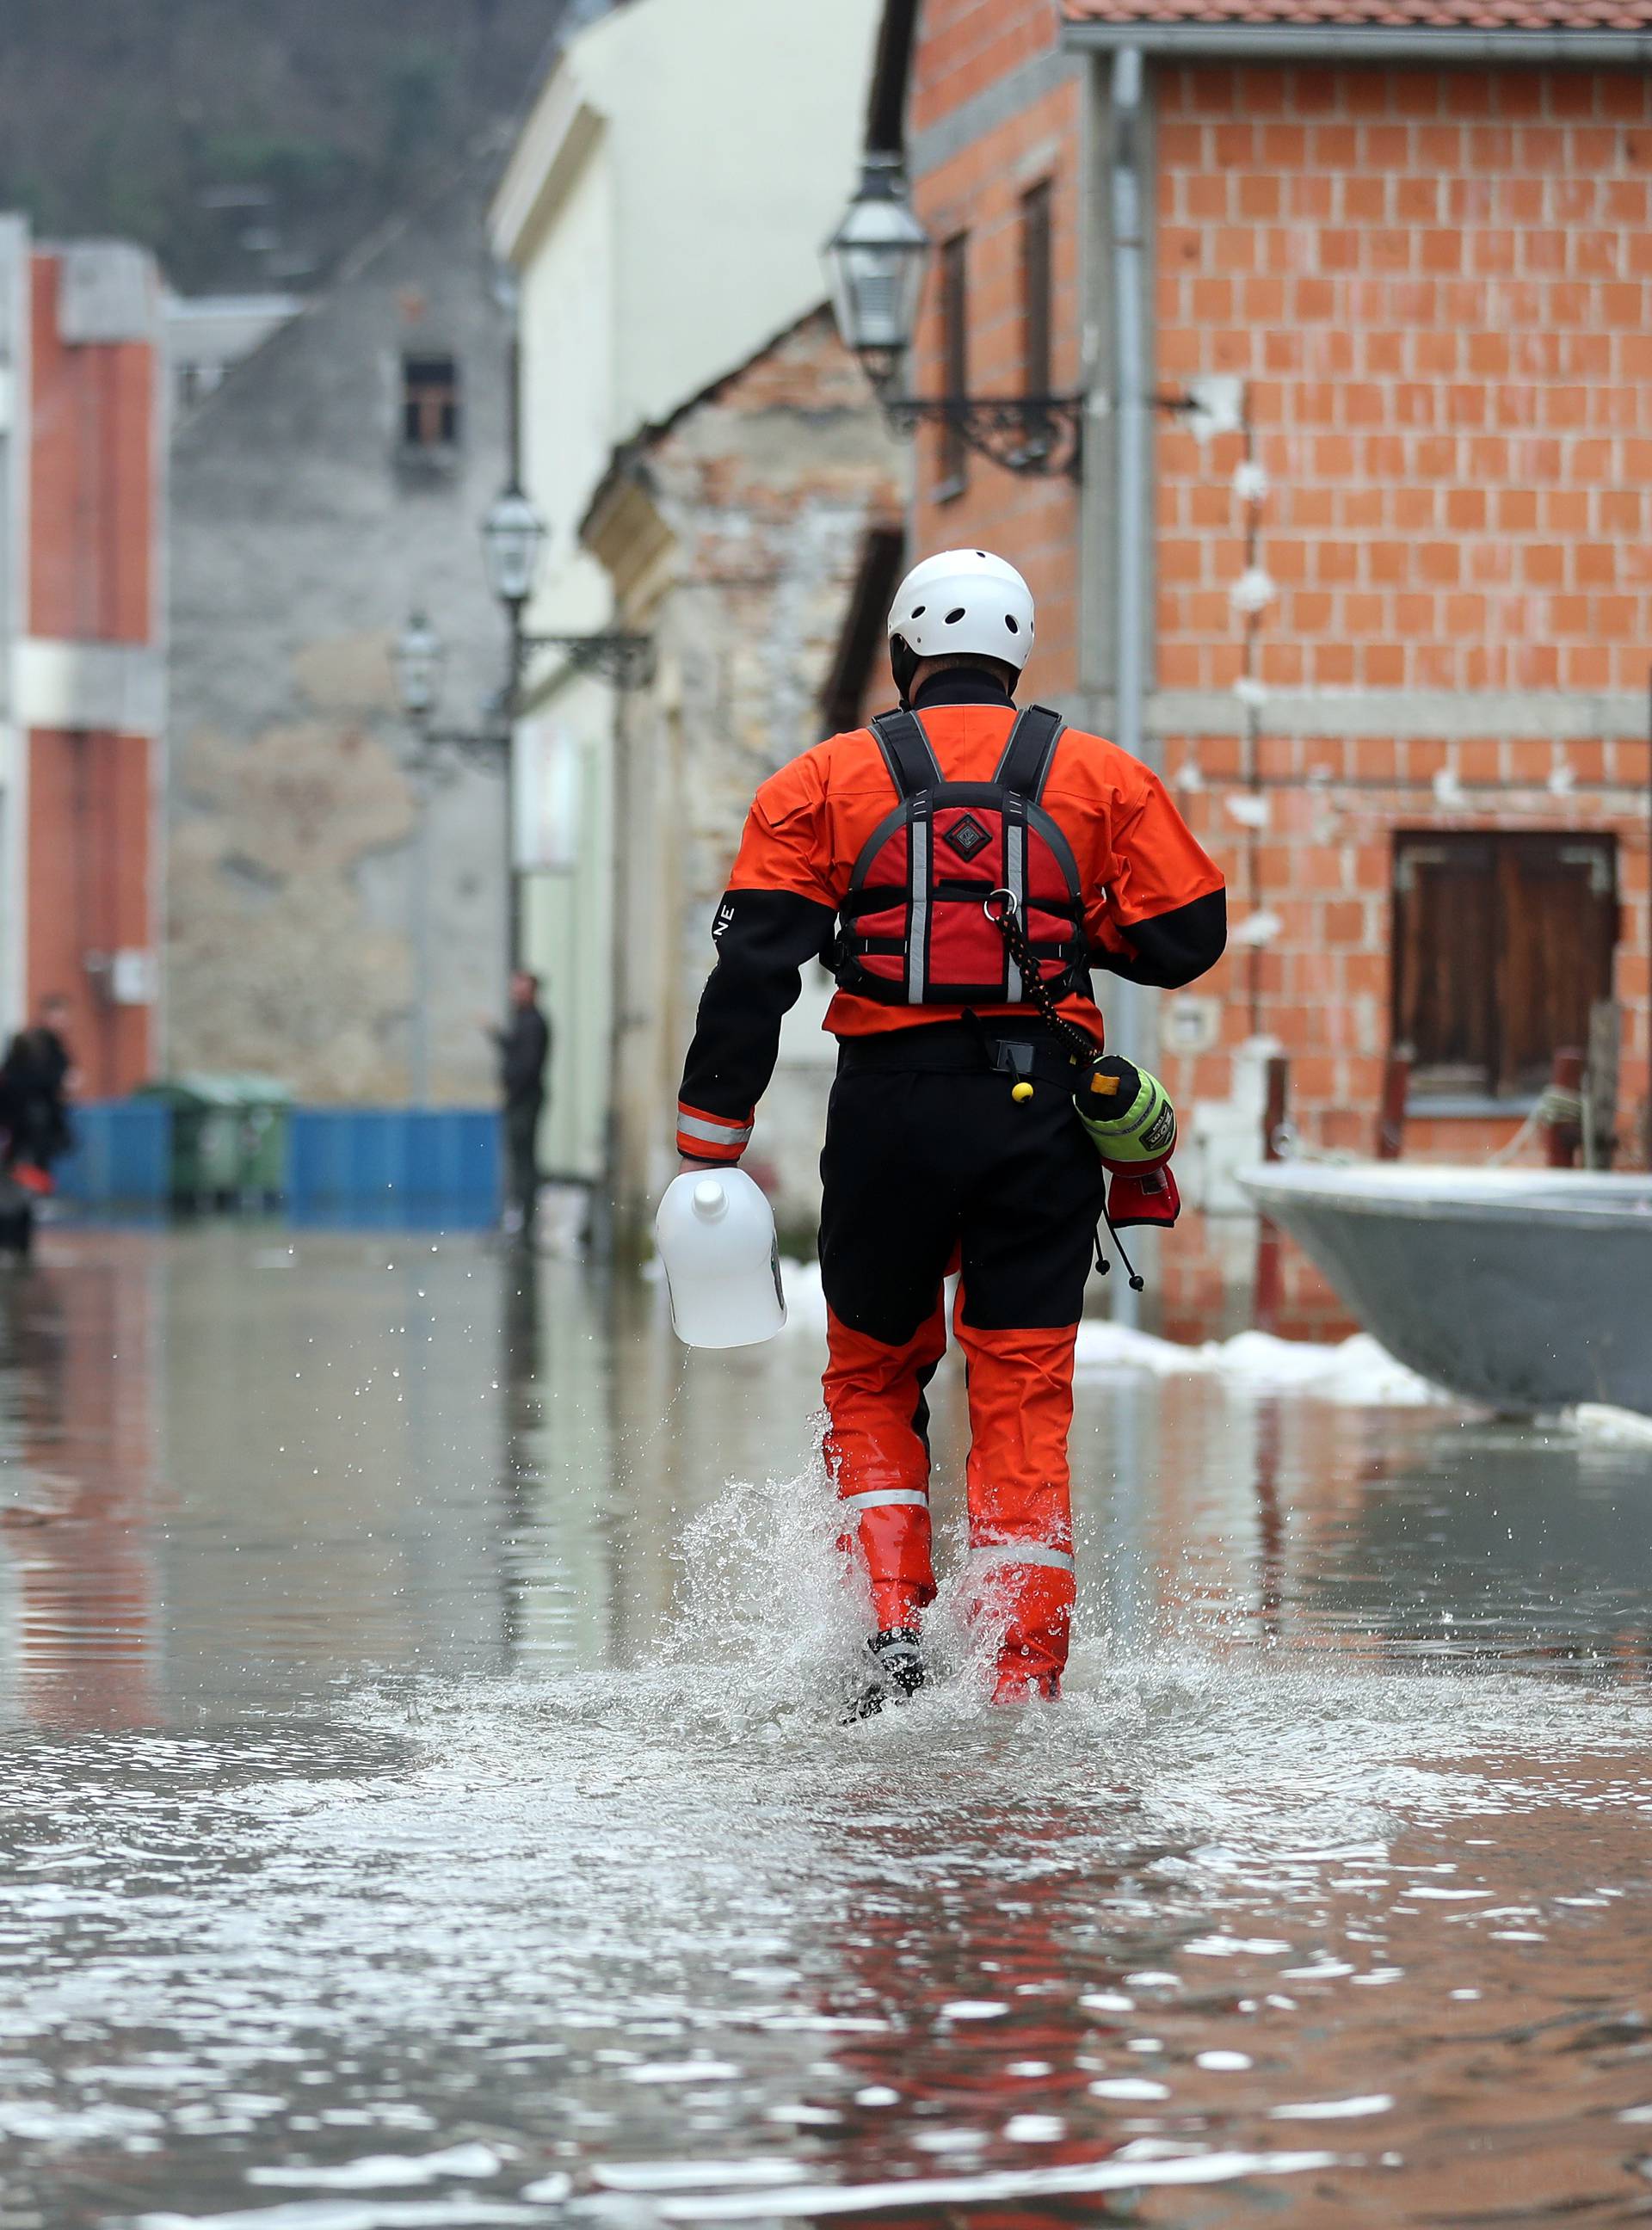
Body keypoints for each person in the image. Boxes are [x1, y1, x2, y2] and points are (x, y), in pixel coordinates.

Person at [672, 549, 1226, 1711]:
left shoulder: (820, 782)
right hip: (1043, 1120)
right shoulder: (1101, 777)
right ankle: (1022, 1677)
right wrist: (1076, 932)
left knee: (873, 1376)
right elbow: (1190, 938)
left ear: (903, 656)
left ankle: (890, 1635)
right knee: (1022, 1384)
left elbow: (752, 973)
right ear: (1016, 660)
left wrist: (711, 1144)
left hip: (886, 1114)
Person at [491, 971, 551, 1241]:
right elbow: (516, 1052)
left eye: (521, 988)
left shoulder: (534, 1022)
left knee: (523, 1161)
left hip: (525, 1101)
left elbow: (526, 1065)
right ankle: (519, 1220)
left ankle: (524, 1223)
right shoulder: (525, 1021)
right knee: (520, 1160)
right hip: (522, 1099)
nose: (516, 993)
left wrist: (512, 1087)